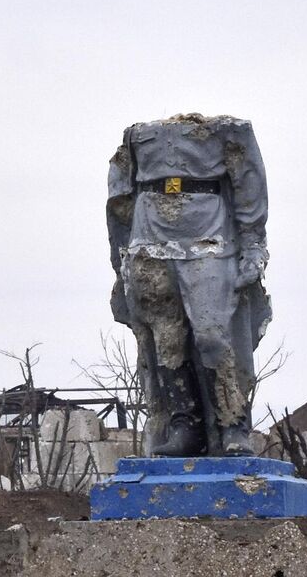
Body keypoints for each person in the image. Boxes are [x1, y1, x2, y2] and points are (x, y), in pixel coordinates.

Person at [106, 114, 271, 456]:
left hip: (209, 235)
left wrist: (253, 243)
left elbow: (248, 179)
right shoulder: (135, 138)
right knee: (166, 339)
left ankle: (232, 424)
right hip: (149, 237)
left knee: (212, 333)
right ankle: (184, 425)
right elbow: (119, 194)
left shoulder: (228, 132)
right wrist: (122, 258)